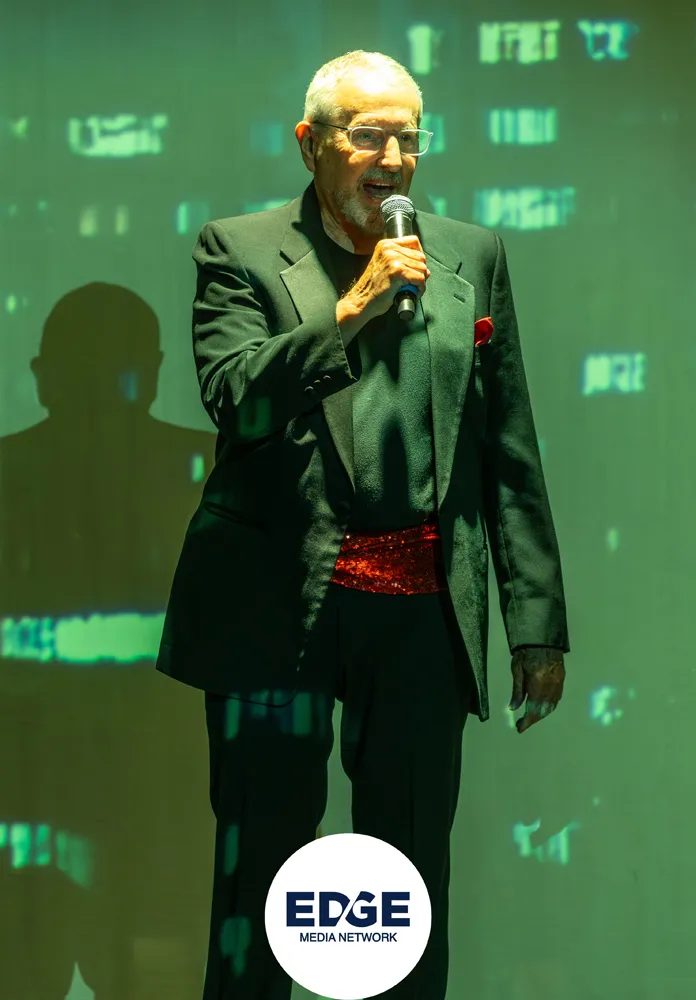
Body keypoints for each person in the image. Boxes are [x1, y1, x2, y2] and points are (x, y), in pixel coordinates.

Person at [156, 49, 570, 1000]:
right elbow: (237, 401)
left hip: (419, 610)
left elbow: (506, 444)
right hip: (276, 607)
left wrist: (535, 622)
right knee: (260, 871)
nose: (392, 158)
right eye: (368, 135)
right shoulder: (239, 249)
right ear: (312, 145)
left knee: (406, 882)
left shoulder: (468, 256)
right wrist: (351, 310)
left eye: (407, 137)